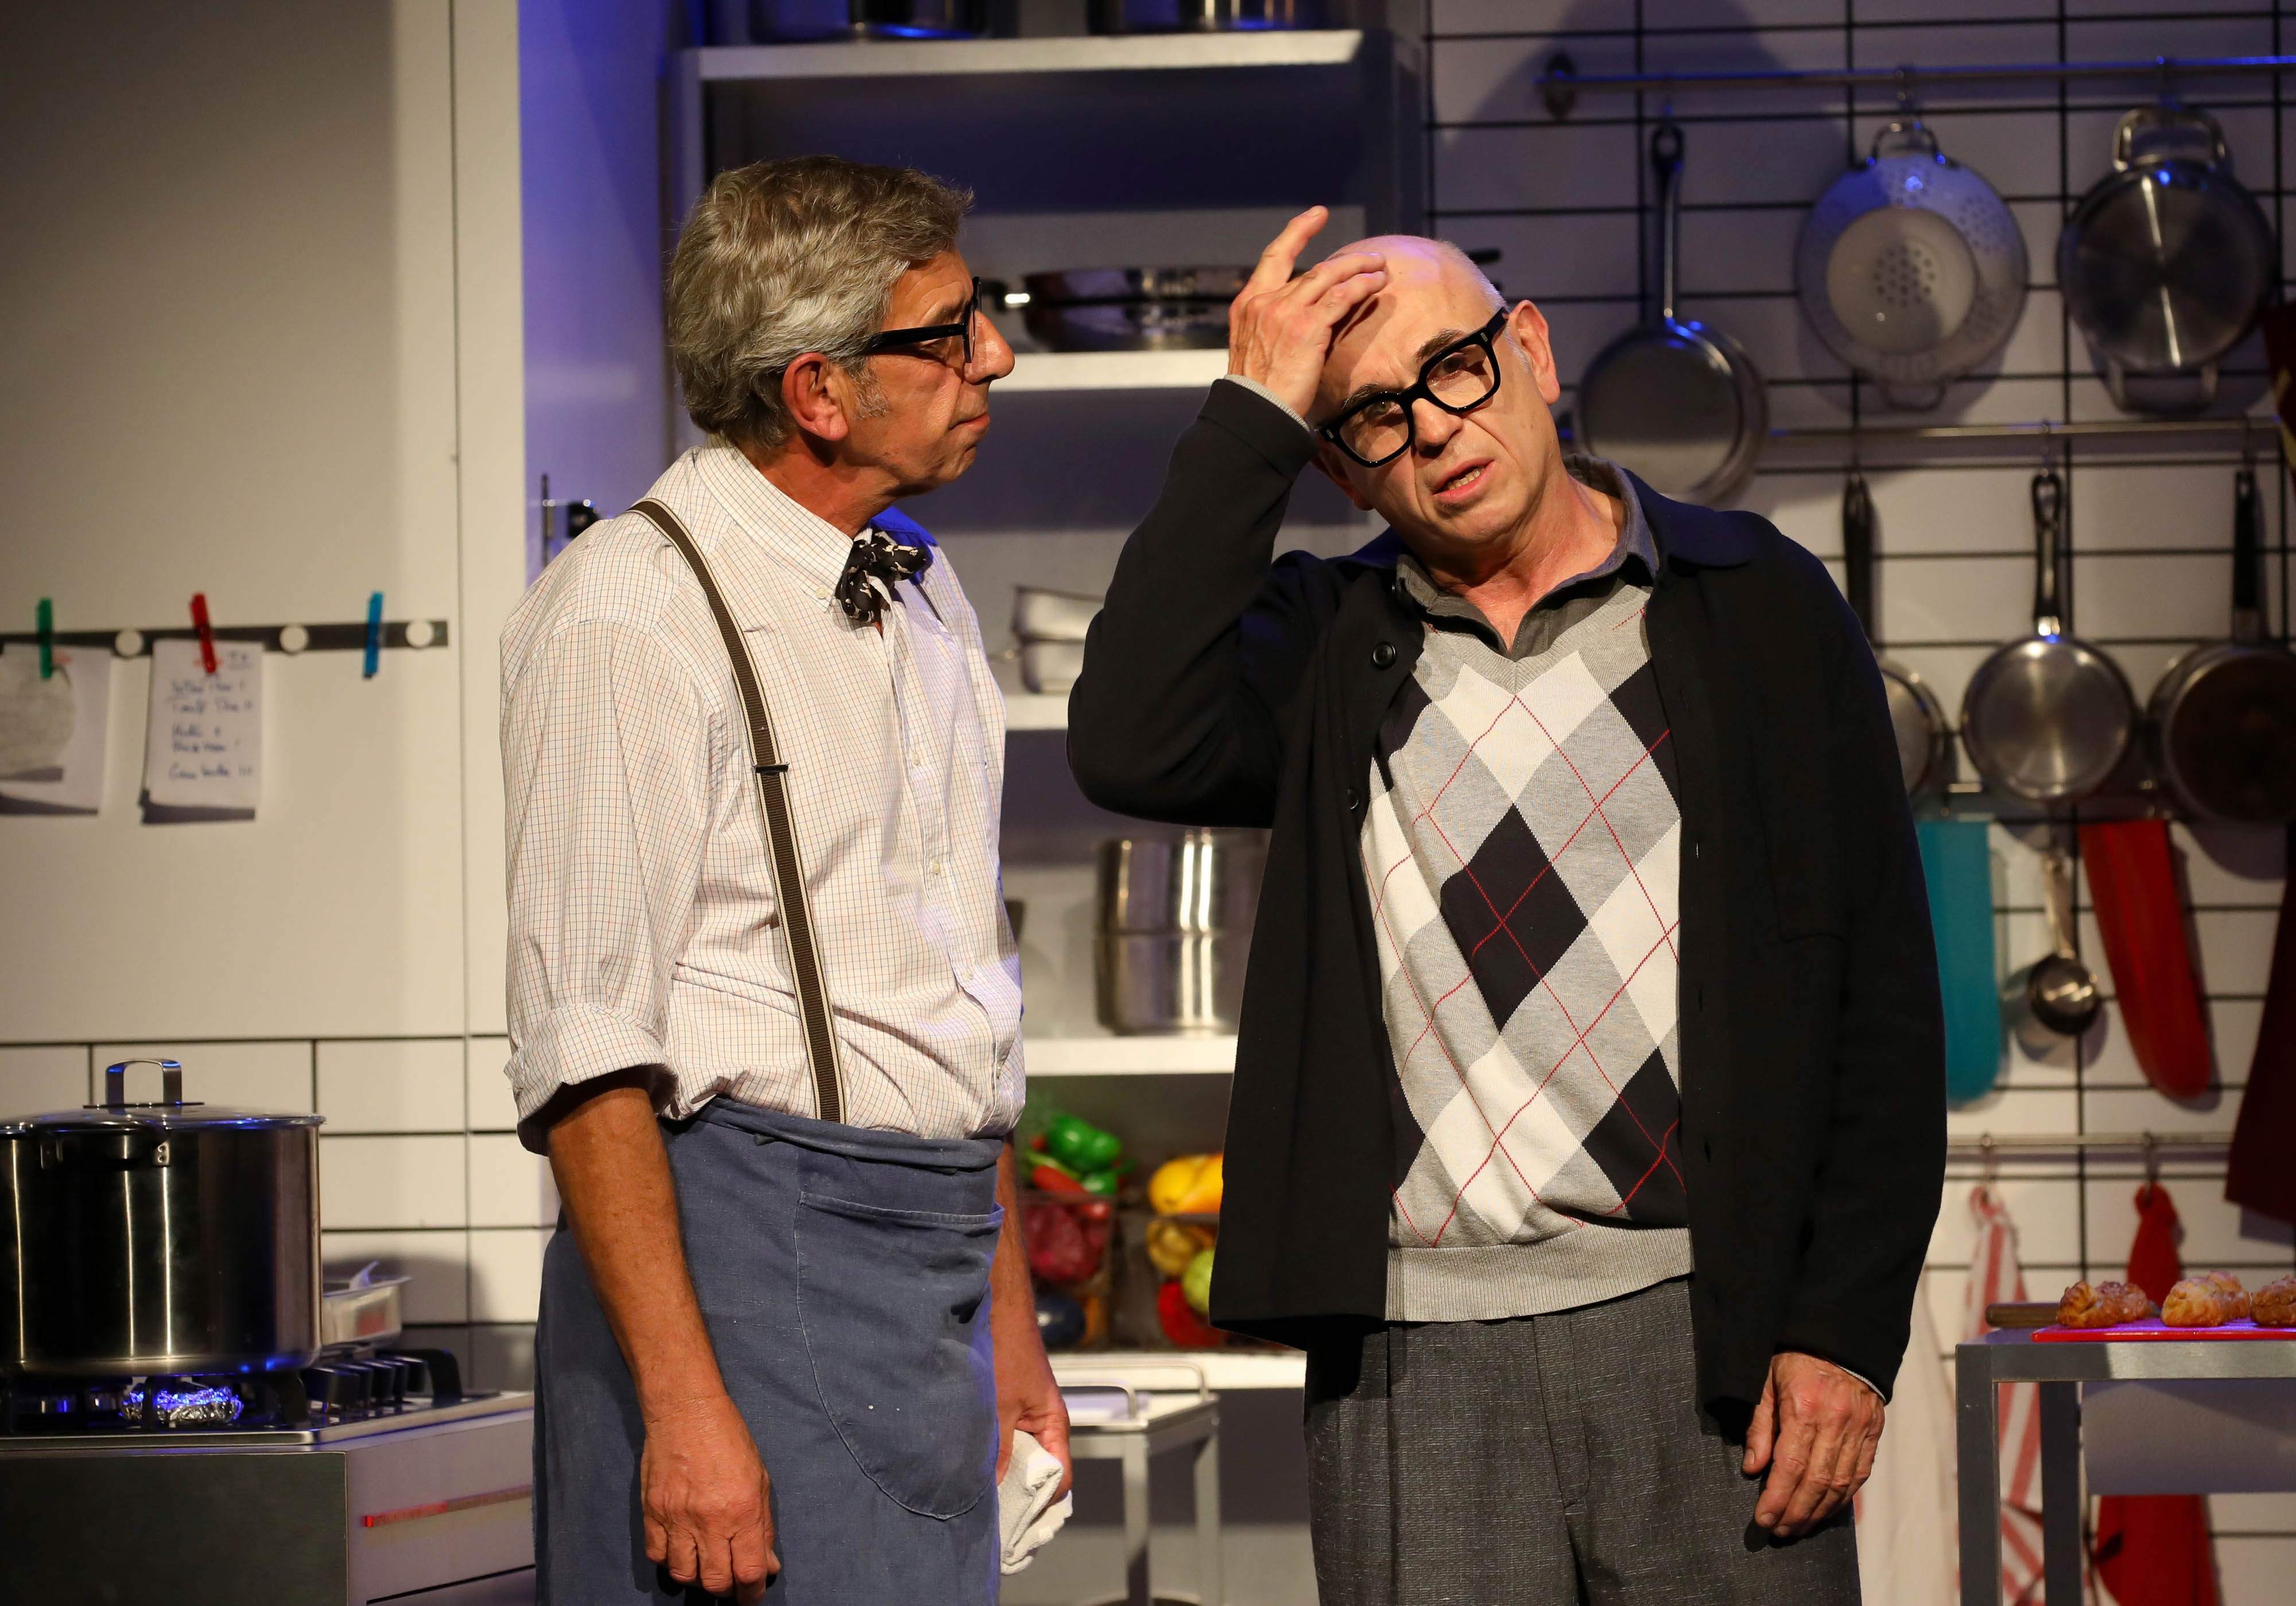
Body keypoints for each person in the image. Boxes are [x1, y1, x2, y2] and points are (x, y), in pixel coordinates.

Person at [1068, 208, 1945, 1604]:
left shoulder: (1752, 605)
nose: (1430, 429)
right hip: (1415, 1359)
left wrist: (1842, 1330)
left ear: (1527, 348)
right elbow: (1127, 739)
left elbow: (1884, 1003)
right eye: (1370, 416)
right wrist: (1249, 416)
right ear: (1338, 466)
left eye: (1452, 368)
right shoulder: (1329, 643)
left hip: (1709, 1337)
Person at [501, 155, 1070, 1606]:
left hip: (924, 1270)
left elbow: (954, 995)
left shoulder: (918, 581)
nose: (993, 356)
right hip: (732, 1277)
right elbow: (585, 1049)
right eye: (947, 334)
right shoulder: (630, 610)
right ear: (817, 390)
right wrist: (686, 1411)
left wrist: (1010, 1332)